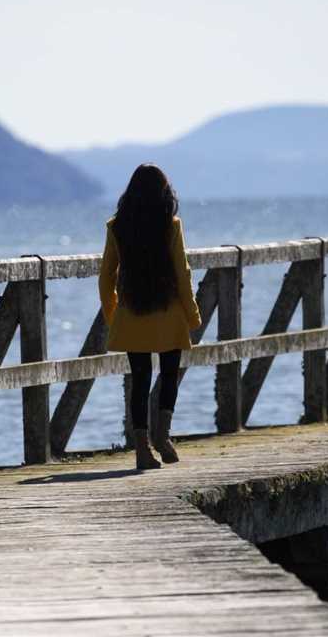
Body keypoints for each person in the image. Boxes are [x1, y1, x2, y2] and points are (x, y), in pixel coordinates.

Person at [98, 164, 202, 470]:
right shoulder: (171, 225)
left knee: (140, 380)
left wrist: (113, 316)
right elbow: (182, 273)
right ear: (164, 192)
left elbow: (106, 277)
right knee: (170, 374)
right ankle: (164, 437)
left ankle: (142, 449)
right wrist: (193, 314)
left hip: (132, 313)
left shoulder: (117, 226)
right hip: (169, 312)